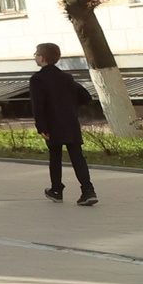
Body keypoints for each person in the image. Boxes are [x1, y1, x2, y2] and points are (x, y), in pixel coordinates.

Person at [29, 44, 97, 207]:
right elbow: (86, 96)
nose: (35, 56)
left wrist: (42, 127)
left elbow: (38, 105)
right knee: (77, 156)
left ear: (42, 58)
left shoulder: (37, 79)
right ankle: (88, 191)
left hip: (52, 124)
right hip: (70, 121)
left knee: (55, 156)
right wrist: (69, 105)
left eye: (36, 54)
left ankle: (56, 190)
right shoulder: (66, 78)